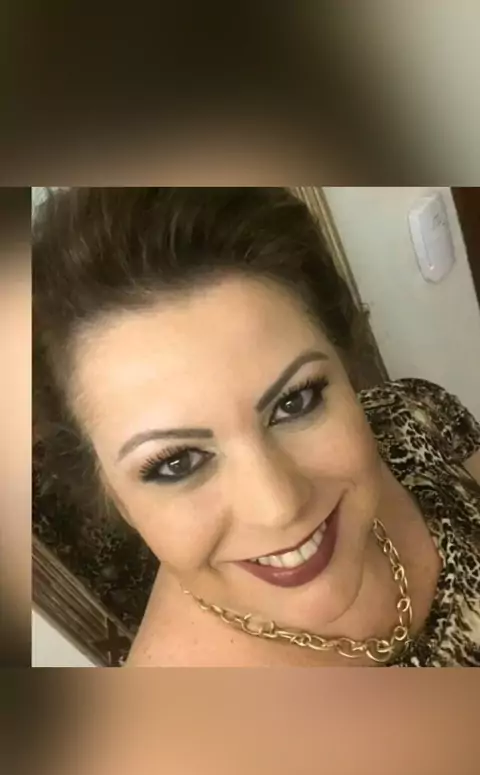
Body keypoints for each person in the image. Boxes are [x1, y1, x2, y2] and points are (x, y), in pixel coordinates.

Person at [32, 187, 480, 667]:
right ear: (114, 498)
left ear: (344, 364)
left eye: (295, 402)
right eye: (177, 462)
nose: (279, 507)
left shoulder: (415, 419)